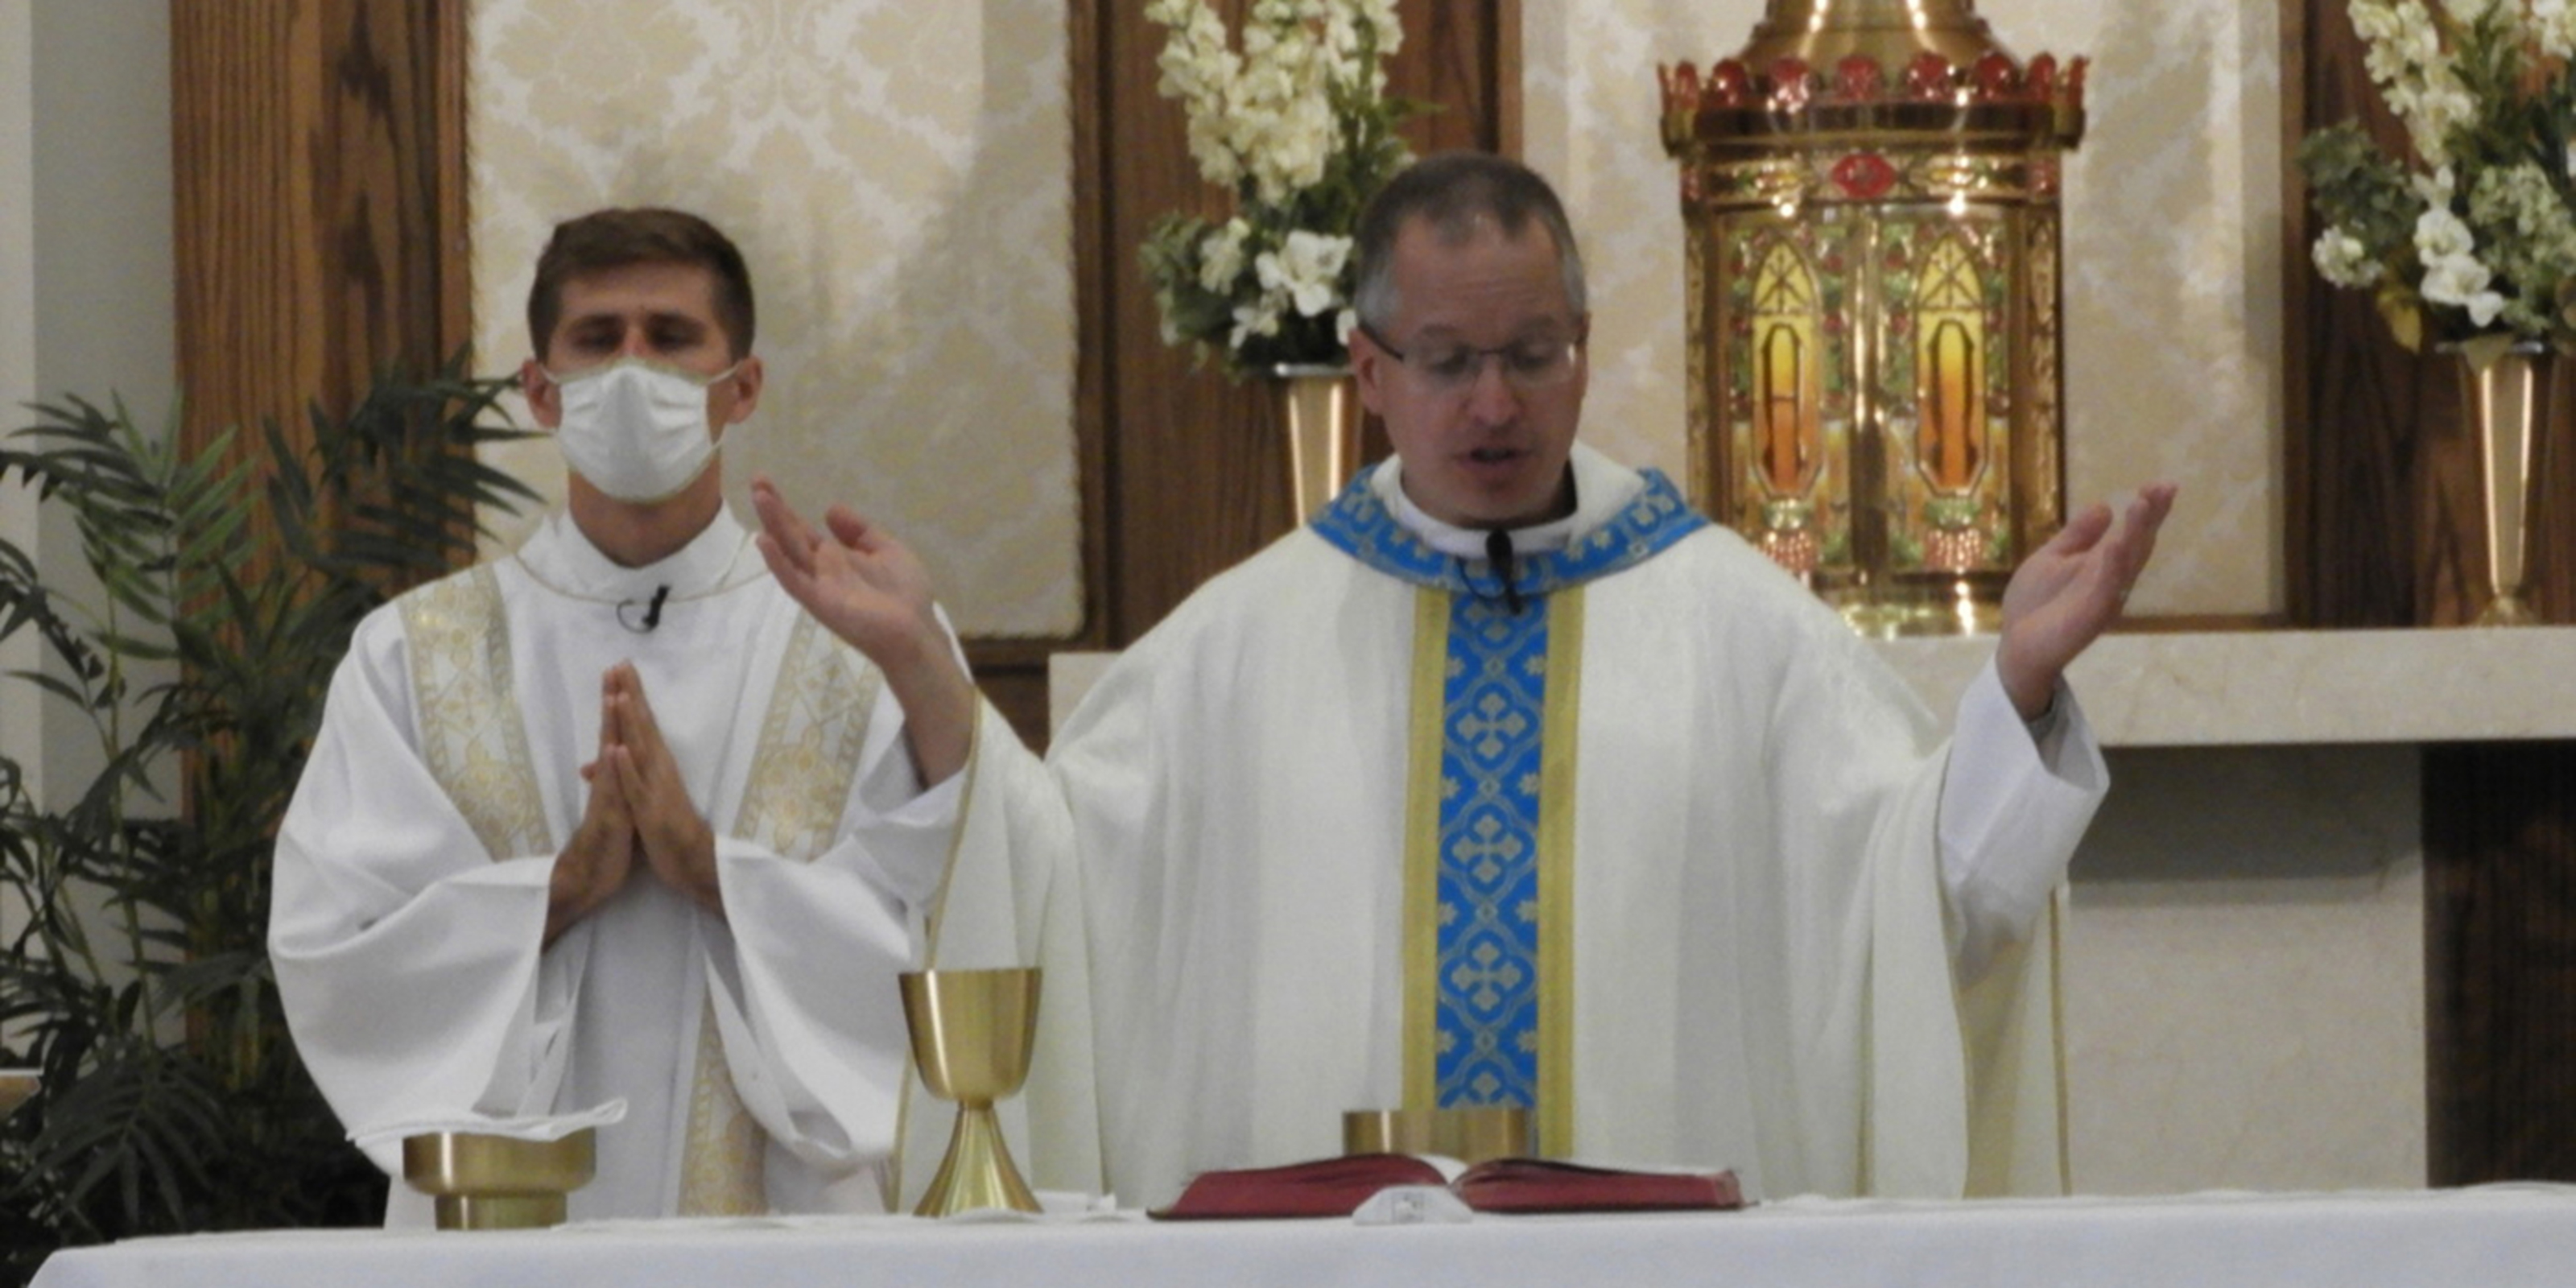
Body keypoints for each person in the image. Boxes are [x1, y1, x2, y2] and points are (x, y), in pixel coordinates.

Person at [755, 152, 2177, 1209]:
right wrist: (927, 677)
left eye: (1531, 356)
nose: (1493, 404)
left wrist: (2019, 692)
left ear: (1583, 354)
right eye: (1445, 363)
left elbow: (1929, 905)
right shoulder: (1235, 647)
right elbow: (1056, 886)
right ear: (1369, 371)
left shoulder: (1742, 630)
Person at [270, 207, 986, 1221]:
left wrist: (711, 872)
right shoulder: (411, 652)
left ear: (742, 386)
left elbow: (961, 915)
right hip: (501, 1228)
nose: (633, 369)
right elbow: (335, 950)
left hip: (790, 1222)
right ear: (541, 390)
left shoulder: (863, 643)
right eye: (598, 338)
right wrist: (561, 887)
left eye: (672, 336)